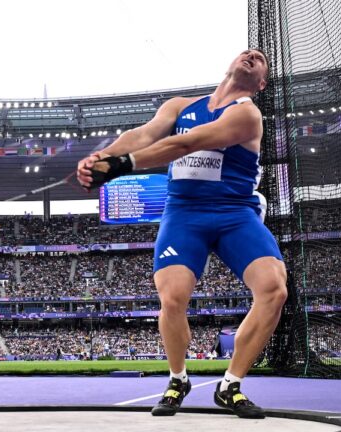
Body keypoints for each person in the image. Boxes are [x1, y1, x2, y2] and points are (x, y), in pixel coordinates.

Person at [76, 49, 286, 419]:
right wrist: (101, 157)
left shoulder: (247, 113)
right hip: (184, 213)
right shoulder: (180, 106)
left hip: (234, 212)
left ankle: (231, 385)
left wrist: (121, 165)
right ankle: (178, 379)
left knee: (274, 289)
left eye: (260, 59)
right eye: (247, 53)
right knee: (172, 298)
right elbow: (143, 134)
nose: (252, 55)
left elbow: (187, 144)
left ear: (261, 84)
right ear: (230, 65)